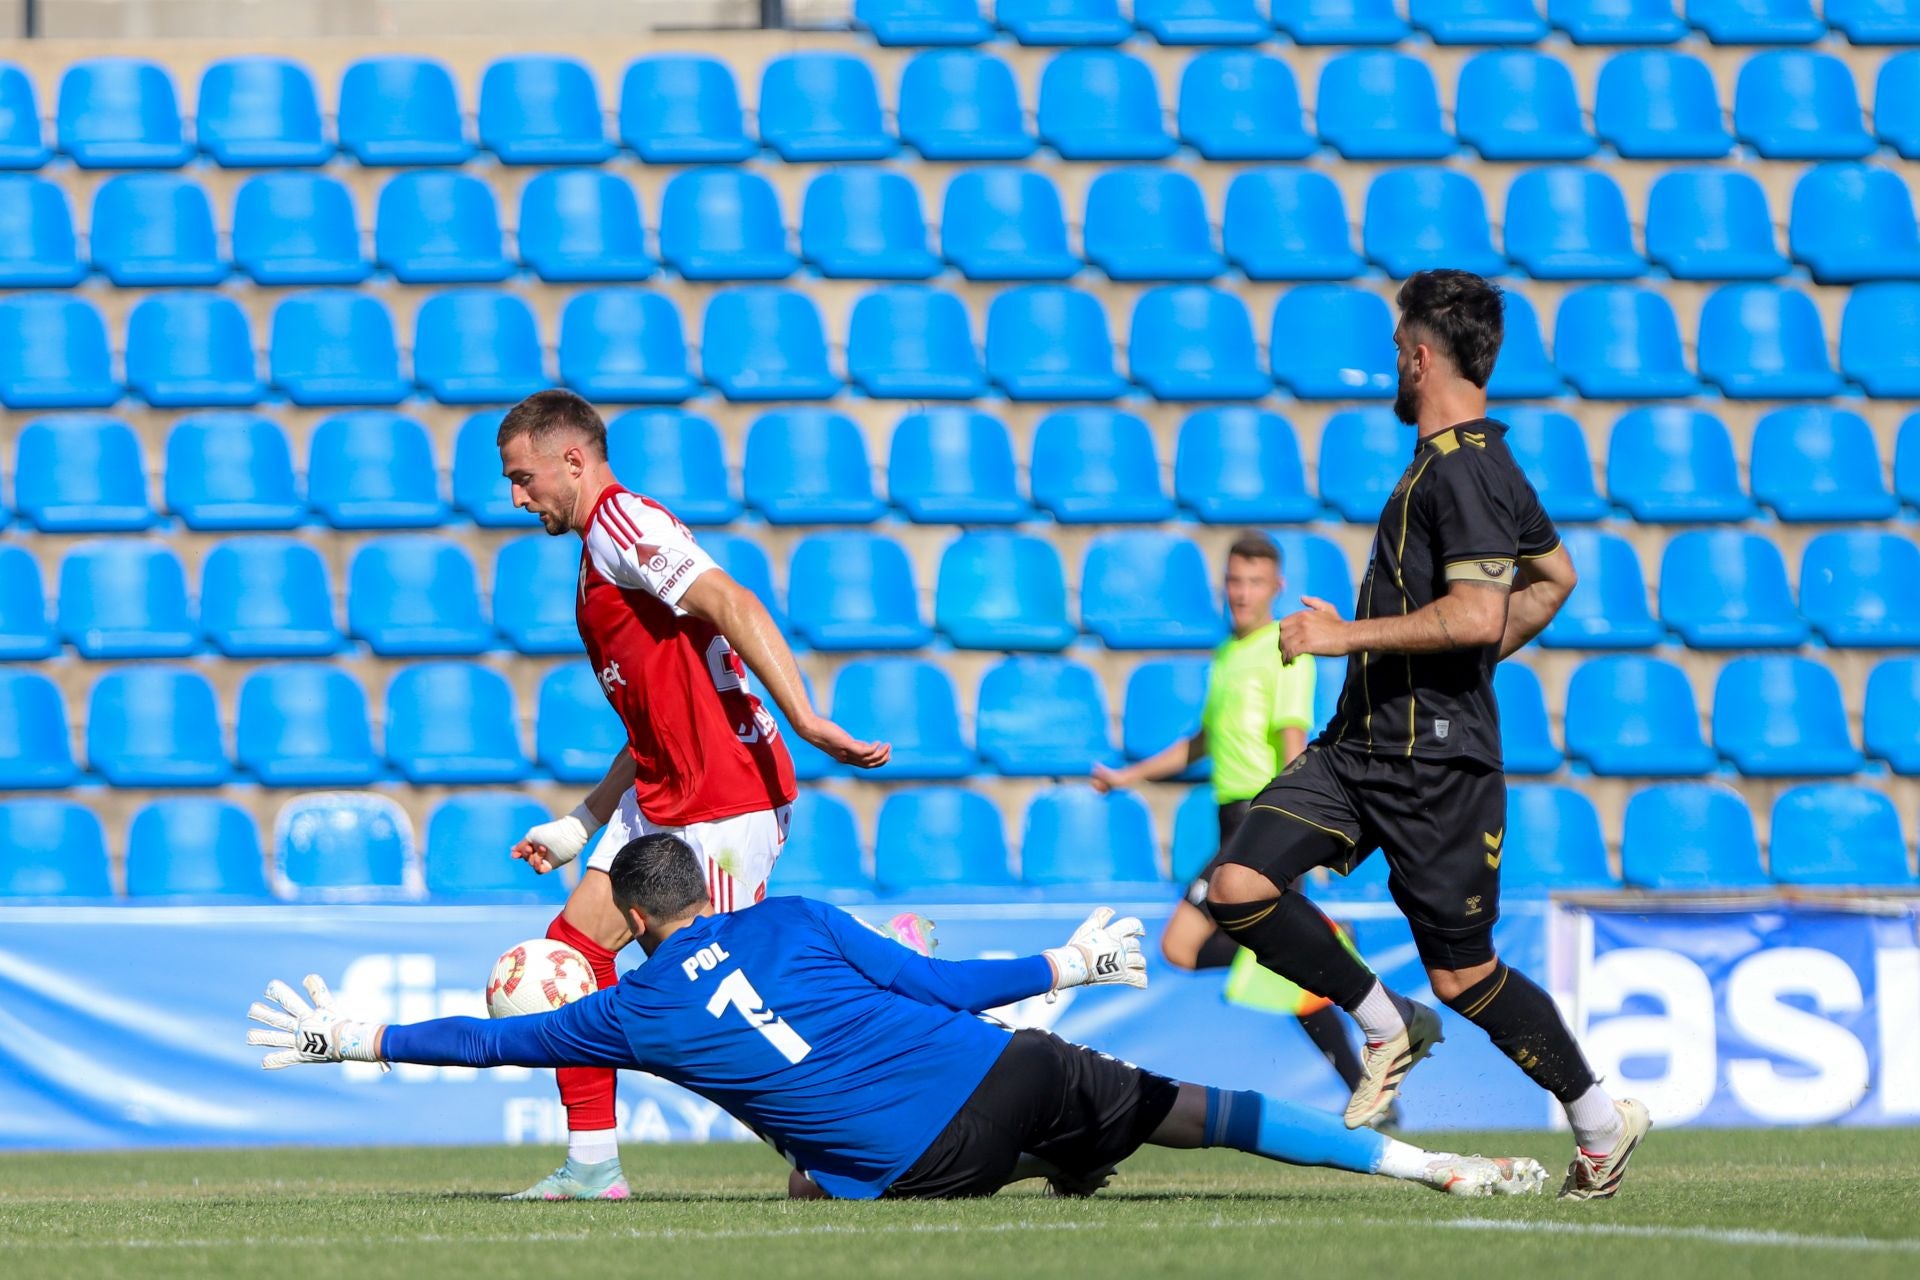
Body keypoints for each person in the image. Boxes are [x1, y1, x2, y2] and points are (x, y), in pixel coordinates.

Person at [248, 833, 1548, 1202]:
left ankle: (1064, 1164)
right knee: (1195, 1115)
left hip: (915, 1173)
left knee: (819, 1172)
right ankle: (1430, 1164)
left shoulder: (625, 1015)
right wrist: (1065, 959)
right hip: (1009, 1073)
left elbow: (479, 1043)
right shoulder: (795, 916)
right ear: (704, 888)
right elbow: (936, 987)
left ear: (633, 924)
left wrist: (342, 1040)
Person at [1203, 270, 1649, 1201]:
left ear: (1418, 355)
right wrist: (1452, 663)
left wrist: (1344, 637)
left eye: (1396, 355)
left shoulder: (1467, 471)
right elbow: (1555, 577)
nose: (1392, 371)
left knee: (1465, 978)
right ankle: (1381, 1020)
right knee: (1238, 885)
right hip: (1363, 743)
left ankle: (1601, 1122)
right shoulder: (1474, 461)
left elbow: (1481, 613)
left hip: (1437, 768)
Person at [493, 389, 900, 1200]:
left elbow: (732, 600)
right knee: (574, 949)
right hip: (665, 793)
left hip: (722, 799)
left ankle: (877, 1124)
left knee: (720, 1005)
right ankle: (593, 1167)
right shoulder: (599, 547)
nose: (516, 497)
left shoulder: (621, 525)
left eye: (524, 476)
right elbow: (653, 710)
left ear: (574, 460)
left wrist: (808, 718)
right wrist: (585, 819)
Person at [1091, 533, 1370, 1106]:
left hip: (1263, 820)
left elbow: (1295, 737)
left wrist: (1304, 827)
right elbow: (1202, 743)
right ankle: (1361, 1075)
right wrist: (1129, 776)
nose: (1241, 593)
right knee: (1270, 963)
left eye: (1254, 582)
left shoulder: (1283, 648)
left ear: (1277, 587)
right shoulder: (1226, 655)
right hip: (1231, 823)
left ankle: (1322, 965)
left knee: (1182, 946)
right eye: (1234, 581)